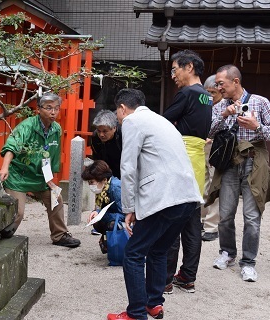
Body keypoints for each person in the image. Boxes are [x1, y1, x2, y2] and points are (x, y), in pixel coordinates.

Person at [107, 88, 203, 320]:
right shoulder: (162, 121)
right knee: (159, 250)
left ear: (122, 108)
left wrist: (128, 208)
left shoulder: (132, 121)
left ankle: (136, 313)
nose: (118, 119)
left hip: (164, 196)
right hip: (187, 195)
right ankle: (154, 304)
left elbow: (128, 168)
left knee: (134, 254)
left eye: (117, 114)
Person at [206, 64, 270, 282]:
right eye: (216, 84)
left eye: (221, 83)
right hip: (229, 163)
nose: (218, 87)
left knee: (251, 216)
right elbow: (208, 131)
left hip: (254, 163)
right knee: (225, 214)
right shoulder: (220, 105)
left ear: (235, 81)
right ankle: (227, 253)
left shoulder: (260, 101)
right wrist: (225, 115)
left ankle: (248, 262)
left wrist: (257, 127)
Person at [0, 91, 81, 248]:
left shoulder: (56, 129)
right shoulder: (27, 126)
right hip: (18, 176)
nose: (53, 112)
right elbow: (12, 145)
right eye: (49, 108)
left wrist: (50, 180)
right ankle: (0, 234)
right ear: (39, 109)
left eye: (56, 108)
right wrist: (4, 168)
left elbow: (51, 156)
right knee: (18, 212)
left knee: (56, 199)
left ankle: (60, 235)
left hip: (40, 176)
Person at [162, 49, 212, 294]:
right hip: (198, 160)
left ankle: (166, 279)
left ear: (189, 67)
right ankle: (188, 277)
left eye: (175, 69)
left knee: (172, 220)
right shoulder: (207, 96)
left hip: (182, 158)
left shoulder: (187, 93)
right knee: (192, 223)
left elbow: (164, 121)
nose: (173, 75)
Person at [81, 160, 125, 252]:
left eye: (92, 182)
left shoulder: (116, 188)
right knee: (97, 222)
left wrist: (101, 215)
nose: (90, 186)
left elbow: (125, 214)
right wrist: (96, 212)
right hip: (115, 216)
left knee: (112, 224)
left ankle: (119, 246)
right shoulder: (104, 189)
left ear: (104, 179)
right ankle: (108, 242)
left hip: (130, 220)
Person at [201, 74, 223, 242]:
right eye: (207, 91)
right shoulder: (205, 104)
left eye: (213, 92)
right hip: (203, 147)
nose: (210, 95)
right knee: (203, 184)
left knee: (215, 187)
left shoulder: (226, 106)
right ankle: (203, 220)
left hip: (218, 148)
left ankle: (211, 226)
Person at [90, 109, 123, 179]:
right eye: (99, 131)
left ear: (114, 128)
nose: (101, 135)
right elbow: (97, 158)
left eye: (105, 131)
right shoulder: (95, 137)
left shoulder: (123, 135)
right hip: (106, 172)